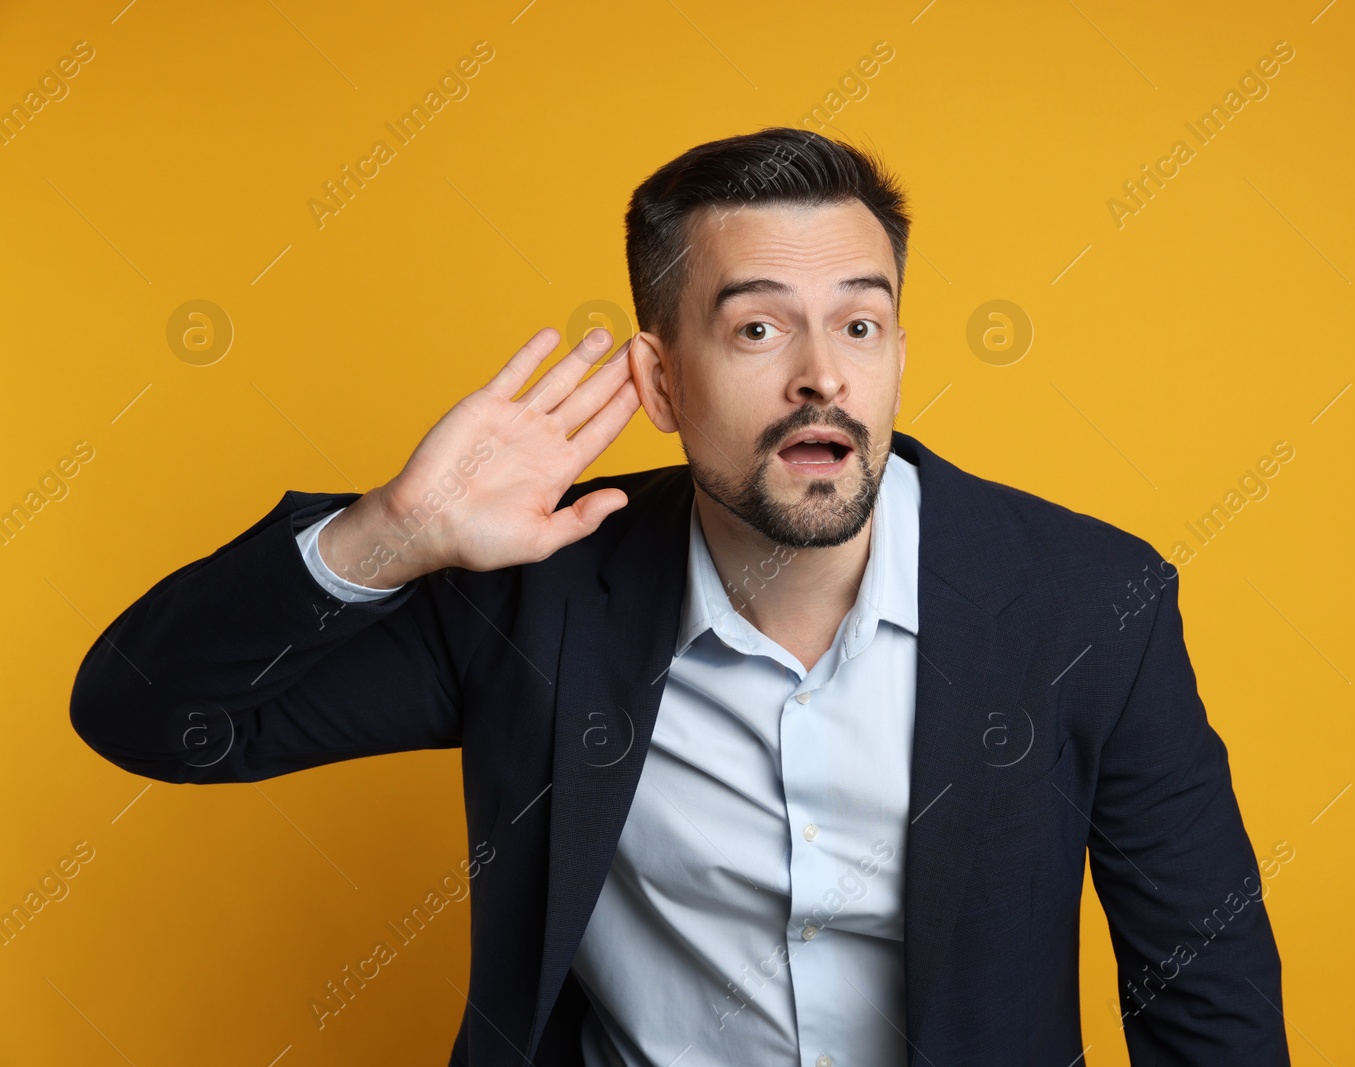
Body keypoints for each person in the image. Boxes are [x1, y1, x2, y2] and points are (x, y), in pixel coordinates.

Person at [70, 127, 1290, 1066]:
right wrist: (388, 534)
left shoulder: (1089, 600)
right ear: (659, 378)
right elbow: (154, 717)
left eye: (860, 324)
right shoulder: (537, 592)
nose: (823, 377)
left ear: (900, 354)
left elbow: (1201, 978)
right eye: (758, 330)